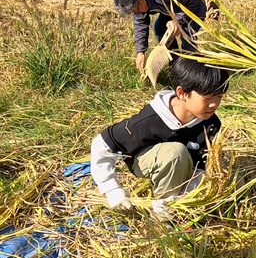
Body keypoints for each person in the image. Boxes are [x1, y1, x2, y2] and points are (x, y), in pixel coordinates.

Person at [90, 58, 229, 221]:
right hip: (145, 160)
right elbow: (101, 144)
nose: (214, 104)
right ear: (182, 93)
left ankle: (176, 202)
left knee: (229, 179)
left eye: (219, 96)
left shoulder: (211, 124)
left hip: (184, 163)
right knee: (175, 153)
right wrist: (111, 188)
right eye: (207, 98)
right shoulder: (149, 120)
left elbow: (203, 165)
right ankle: (162, 214)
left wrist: (193, 192)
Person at [113, 0, 219, 72]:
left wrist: (177, 21)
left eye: (135, 11)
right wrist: (141, 52)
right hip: (175, 3)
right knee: (160, 28)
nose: (136, 14)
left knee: (187, 33)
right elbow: (140, 23)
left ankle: (190, 71)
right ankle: (175, 64)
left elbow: (193, 3)